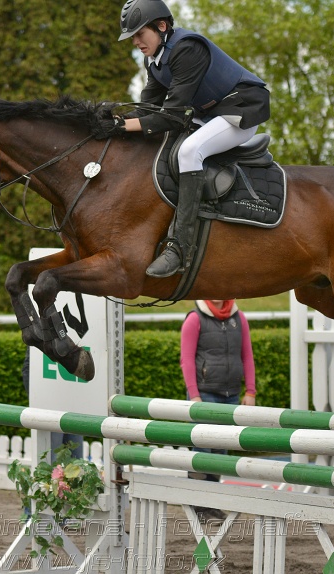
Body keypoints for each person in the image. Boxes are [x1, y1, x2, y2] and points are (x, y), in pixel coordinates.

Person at [112, 0, 271, 278]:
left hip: (241, 109)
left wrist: (122, 126)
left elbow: (170, 116)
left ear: (162, 26)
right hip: (210, 114)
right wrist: (112, 120)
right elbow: (148, 111)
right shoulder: (154, 60)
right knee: (164, 144)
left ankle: (180, 248)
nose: (135, 42)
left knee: (189, 151)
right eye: (132, 37)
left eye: (139, 34)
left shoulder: (186, 49)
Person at [180, 299, 257, 520]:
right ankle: (198, 505)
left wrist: (250, 391)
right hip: (204, 395)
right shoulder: (194, 319)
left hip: (231, 395)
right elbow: (186, 360)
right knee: (202, 450)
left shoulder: (239, 318)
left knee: (221, 451)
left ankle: (212, 503)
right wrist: (194, 395)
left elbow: (247, 356)